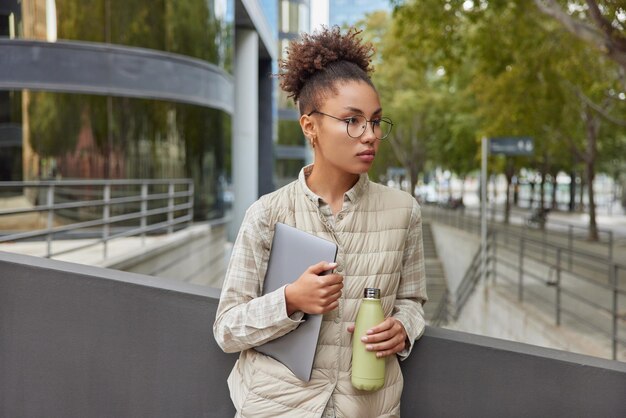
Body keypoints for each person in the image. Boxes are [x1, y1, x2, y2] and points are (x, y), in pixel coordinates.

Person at [213, 26, 428, 418]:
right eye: (352, 121)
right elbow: (227, 328)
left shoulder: (404, 211)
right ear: (310, 126)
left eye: (376, 122)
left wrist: (403, 328)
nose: (370, 136)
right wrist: (290, 300)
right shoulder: (267, 213)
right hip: (276, 407)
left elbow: (412, 302)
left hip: (367, 407)